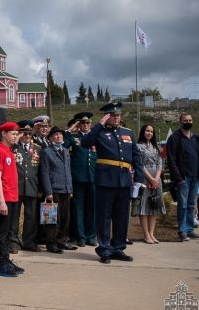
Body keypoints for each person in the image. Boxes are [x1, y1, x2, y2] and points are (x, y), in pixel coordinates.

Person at [81, 102, 143, 264]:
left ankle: (118, 248)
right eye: (113, 115)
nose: (117, 118)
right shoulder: (99, 132)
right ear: (106, 116)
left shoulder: (127, 133)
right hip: (106, 180)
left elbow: (136, 157)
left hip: (124, 181)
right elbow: (85, 143)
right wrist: (98, 125)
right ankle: (104, 249)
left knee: (122, 217)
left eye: (118, 115)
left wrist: (138, 180)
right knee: (104, 217)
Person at [0, 122, 24, 277]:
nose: (14, 136)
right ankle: (1, 264)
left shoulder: (9, 150)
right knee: (3, 232)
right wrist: (1, 200)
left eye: (15, 133)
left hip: (13, 196)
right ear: (4, 134)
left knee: (10, 231)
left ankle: (6, 259)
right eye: (12, 133)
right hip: (5, 196)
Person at [40, 126, 75, 254]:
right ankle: (51, 243)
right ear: (50, 139)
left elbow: (68, 171)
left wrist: (70, 188)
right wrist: (48, 191)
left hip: (65, 189)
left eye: (60, 135)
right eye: (55, 135)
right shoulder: (46, 152)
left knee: (65, 217)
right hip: (53, 190)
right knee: (51, 218)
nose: (58, 136)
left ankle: (62, 241)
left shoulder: (65, 151)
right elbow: (44, 173)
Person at [64, 112, 97, 247]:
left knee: (92, 209)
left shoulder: (95, 138)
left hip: (93, 177)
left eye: (87, 123)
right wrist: (71, 129)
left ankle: (91, 236)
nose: (85, 125)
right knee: (79, 209)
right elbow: (63, 144)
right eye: (82, 123)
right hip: (78, 178)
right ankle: (80, 237)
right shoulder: (73, 137)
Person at [166, 113, 199, 241]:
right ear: (180, 121)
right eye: (185, 120)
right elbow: (171, 160)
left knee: (191, 204)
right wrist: (178, 177)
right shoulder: (174, 138)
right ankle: (182, 230)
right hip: (182, 178)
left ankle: (190, 229)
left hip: (195, 177)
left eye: (190, 120)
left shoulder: (195, 138)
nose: (188, 122)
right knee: (183, 204)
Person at [133, 124, 166, 244]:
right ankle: (146, 234)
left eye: (152, 131)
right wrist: (150, 179)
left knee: (154, 206)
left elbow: (160, 163)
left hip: (156, 180)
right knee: (144, 206)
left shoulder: (156, 147)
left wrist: (156, 178)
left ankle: (152, 233)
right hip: (144, 179)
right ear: (143, 132)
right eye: (147, 131)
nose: (150, 133)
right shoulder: (138, 147)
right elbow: (139, 164)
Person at [14, 120, 42, 252]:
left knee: (31, 216)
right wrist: (16, 140)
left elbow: (41, 170)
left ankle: (29, 241)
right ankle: (13, 242)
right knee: (14, 216)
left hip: (32, 187)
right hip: (16, 187)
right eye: (24, 133)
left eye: (29, 134)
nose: (27, 136)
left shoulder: (37, 149)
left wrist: (41, 188)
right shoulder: (13, 148)